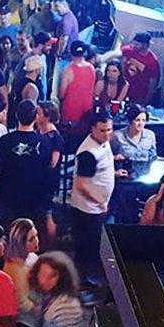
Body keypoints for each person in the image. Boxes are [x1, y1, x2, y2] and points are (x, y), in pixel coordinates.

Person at [71, 109, 125, 283]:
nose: (107, 134)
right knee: (89, 247)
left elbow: (99, 168)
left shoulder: (103, 142)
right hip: (88, 209)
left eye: (110, 129)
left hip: (99, 206)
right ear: (92, 129)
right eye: (102, 130)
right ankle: (85, 280)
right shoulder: (88, 153)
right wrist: (100, 202)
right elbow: (81, 184)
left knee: (97, 244)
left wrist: (113, 173)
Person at [0, 100, 52, 227]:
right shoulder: (44, 142)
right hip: (33, 200)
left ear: (16, 115)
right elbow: (47, 171)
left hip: (8, 198)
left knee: (8, 232)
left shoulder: (5, 140)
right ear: (35, 117)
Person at [3, 218, 41, 327]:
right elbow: (23, 303)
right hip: (26, 324)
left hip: (36, 318)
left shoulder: (31, 256)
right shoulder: (15, 268)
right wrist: (45, 313)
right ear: (20, 243)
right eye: (31, 239)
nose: (37, 241)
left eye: (36, 235)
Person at [101, 32, 161, 105]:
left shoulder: (152, 61)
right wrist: (102, 59)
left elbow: (153, 83)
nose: (134, 46)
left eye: (137, 44)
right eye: (134, 43)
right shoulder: (129, 50)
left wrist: (146, 102)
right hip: (123, 92)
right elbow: (115, 54)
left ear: (145, 45)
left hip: (139, 96)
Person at [36, 101, 65, 248]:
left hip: (47, 181)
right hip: (38, 180)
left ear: (47, 117)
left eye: (39, 113)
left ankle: (50, 247)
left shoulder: (54, 137)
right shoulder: (38, 132)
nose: (36, 115)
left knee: (47, 214)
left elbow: (53, 162)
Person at [59, 41, 96, 136]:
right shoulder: (91, 68)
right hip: (86, 113)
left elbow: (62, 94)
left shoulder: (68, 70)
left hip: (70, 113)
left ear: (71, 52)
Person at [110, 103, 157, 172]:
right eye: (137, 120)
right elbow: (107, 157)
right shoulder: (117, 136)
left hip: (144, 173)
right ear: (130, 120)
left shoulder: (150, 135)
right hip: (124, 173)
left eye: (143, 120)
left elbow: (153, 156)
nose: (140, 123)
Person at [52, 0, 80, 98]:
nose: (56, 9)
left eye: (57, 7)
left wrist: (59, 53)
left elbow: (64, 38)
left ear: (64, 5)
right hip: (69, 56)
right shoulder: (71, 17)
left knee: (60, 83)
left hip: (65, 57)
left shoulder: (66, 20)